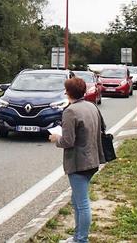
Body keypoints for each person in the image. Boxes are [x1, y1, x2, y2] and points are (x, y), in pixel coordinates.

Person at [49, 77, 105, 243]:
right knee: (77, 200)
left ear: (68, 93)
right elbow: (102, 127)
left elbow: (68, 141)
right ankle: (77, 237)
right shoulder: (91, 106)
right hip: (93, 159)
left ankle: (81, 240)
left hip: (79, 163)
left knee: (82, 203)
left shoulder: (70, 111)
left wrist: (55, 138)